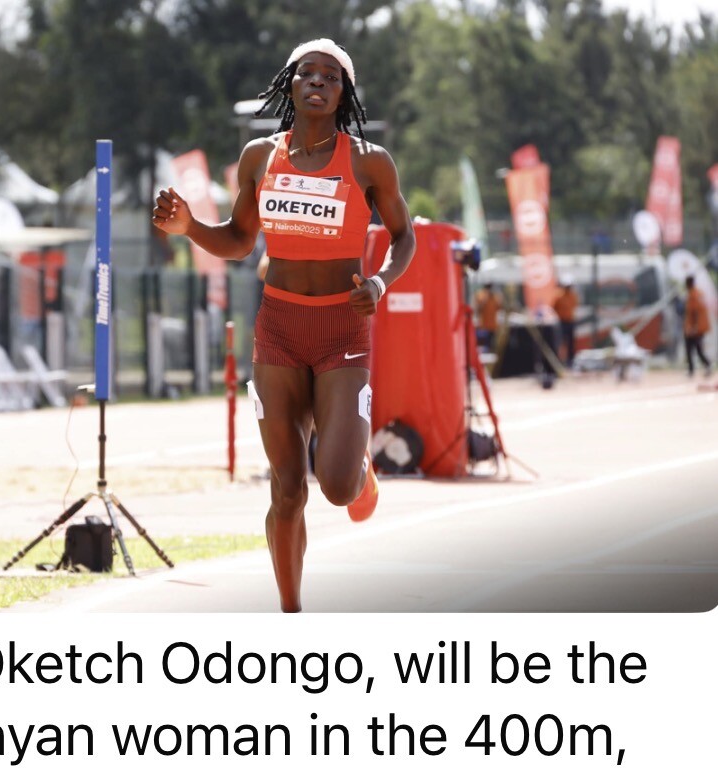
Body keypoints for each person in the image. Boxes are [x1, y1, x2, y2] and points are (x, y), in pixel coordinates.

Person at [152, 39, 416, 612]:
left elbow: (404, 237)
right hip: (279, 330)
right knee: (288, 489)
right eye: (307, 73)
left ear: (344, 93)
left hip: (343, 328)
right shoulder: (259, 157)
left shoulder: (369, 161)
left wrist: (379, 283)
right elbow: (239, 240)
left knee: (337, 487)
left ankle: (358, 463)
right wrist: (190, 228)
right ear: (290, 85)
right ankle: (290, 617)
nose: (318, 81)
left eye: (331, 76)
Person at [683, 275, 711, 377]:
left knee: (692, 349)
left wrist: (693, 327)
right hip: (700, 326)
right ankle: (699, 367)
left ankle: (704, 365)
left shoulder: (693, 295)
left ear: (688, 284)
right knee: (696, 349)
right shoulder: (699, 293)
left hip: (694, 327)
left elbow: (694, 312)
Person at [552, 277, 580, 367]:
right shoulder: (558, 296)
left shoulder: (573, 296)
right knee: (560, 342)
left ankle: (570, 360)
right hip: (561, 322)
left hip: (570, 322)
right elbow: (553, 308)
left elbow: (574, 307)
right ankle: (559, 360)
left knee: (571, 342)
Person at [474, 282, 502, 352]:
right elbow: (478, 309)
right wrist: (485, 299)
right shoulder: (481, 295)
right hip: (483, 326)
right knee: (484, 345)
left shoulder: (494, 296)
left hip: (493, 325)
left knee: (492, 345)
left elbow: (499, 307)